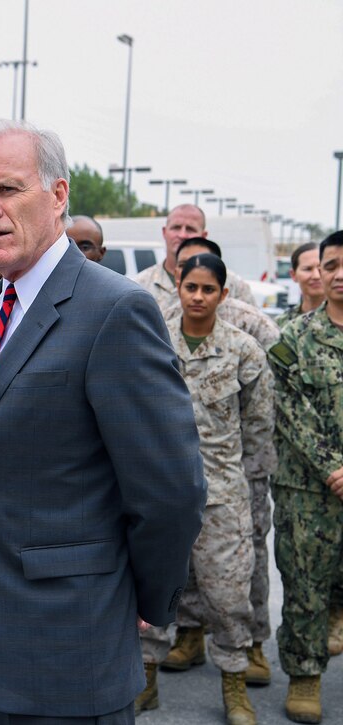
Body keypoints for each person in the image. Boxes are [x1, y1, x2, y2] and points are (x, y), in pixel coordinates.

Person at [0, 119, 205, 722]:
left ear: (58, 195)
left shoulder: (115, 310)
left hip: (70, 647)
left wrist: (141, 595)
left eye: (7, 190)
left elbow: (171, 490)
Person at [137, 253, 271, 723]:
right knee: (150, 587)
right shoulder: (152, 341)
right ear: (177, 286)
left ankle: (235, 684)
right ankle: (145, 679)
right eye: (190, 287)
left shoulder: (243, 350)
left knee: (228, 596)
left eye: (207, 289)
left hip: (222, 496)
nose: (197, 296)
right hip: (161, 493)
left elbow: (257, 429)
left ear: (223, 294)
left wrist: (245, 491)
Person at [268, 230, 343, 723]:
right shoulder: (295, 336)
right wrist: (334, 467)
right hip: (307, 490)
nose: (338, 275)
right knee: (305, 586)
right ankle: (305, 677)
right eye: (331, 265)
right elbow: (290, 409)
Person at [134, 204, 255, 307]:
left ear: (203, 235)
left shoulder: (233, 286)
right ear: (164, 232)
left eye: (190, 229)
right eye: (176, 228)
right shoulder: (140, 286)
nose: (182, 235)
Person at [277, 242, 324, 328]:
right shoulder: (282, 323)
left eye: (321, 268)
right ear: (293, 275)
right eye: (307, 269)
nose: (316, 276)